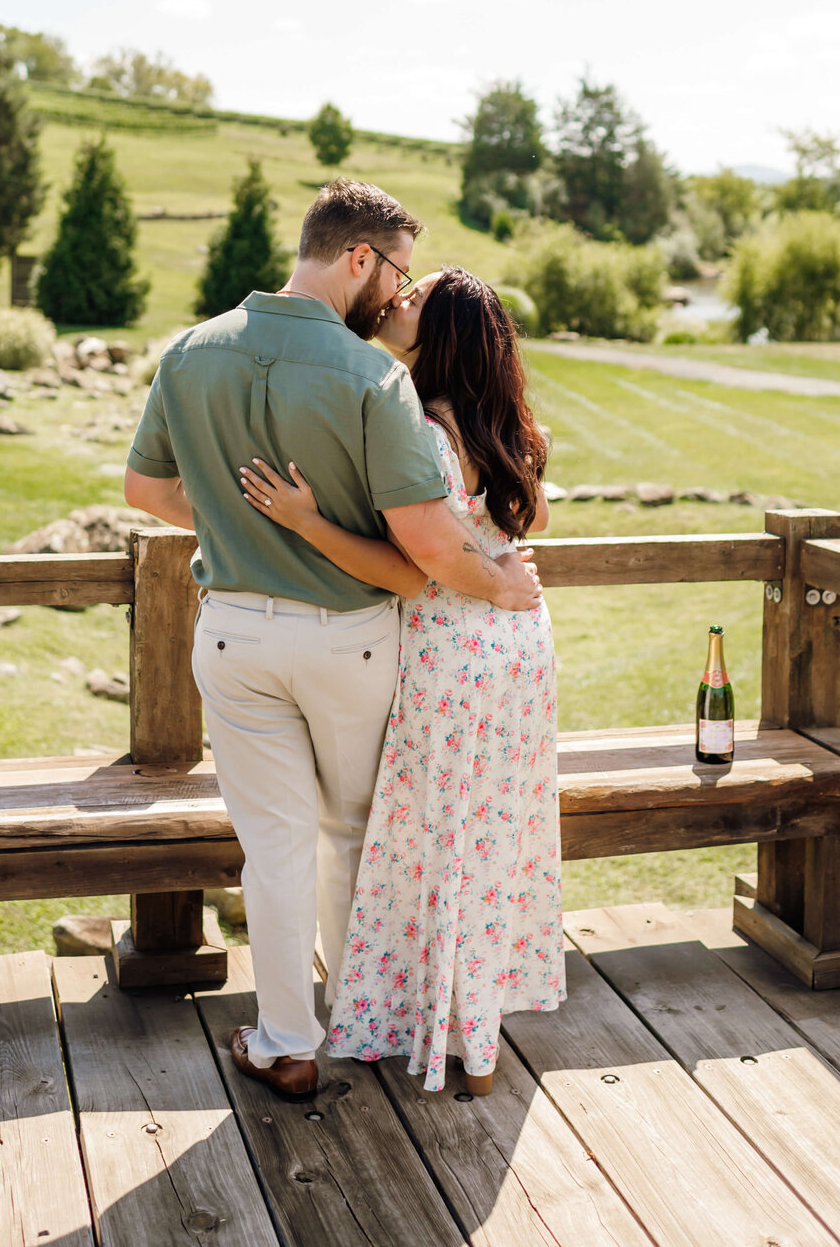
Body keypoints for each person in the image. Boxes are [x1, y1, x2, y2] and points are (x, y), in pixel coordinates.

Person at [124, 182, 542, 1103]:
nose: (395, 297)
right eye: (393, 272)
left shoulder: (190, 351)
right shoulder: (373, 378)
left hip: (234, 637)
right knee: (354, 833)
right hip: (353, 638)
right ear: (358, 257)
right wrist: (501, 580)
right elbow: (423, 557)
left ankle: (287, 1042)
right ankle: (369, 1020)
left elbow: (147, 492)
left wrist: (246, 528)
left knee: (270, 846)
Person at [240, 265, 563, 1097]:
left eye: (415, 300)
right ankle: (476, 1034)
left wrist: (307, 521)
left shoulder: (419, 426)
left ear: (444, 334)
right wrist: (496, 566)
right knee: (487, 836)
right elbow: (522, 527)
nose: (397, 301)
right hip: (518, 647)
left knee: (434, 839)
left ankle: (428, 1024)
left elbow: (413, 566)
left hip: (450, 654)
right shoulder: (511, 429)